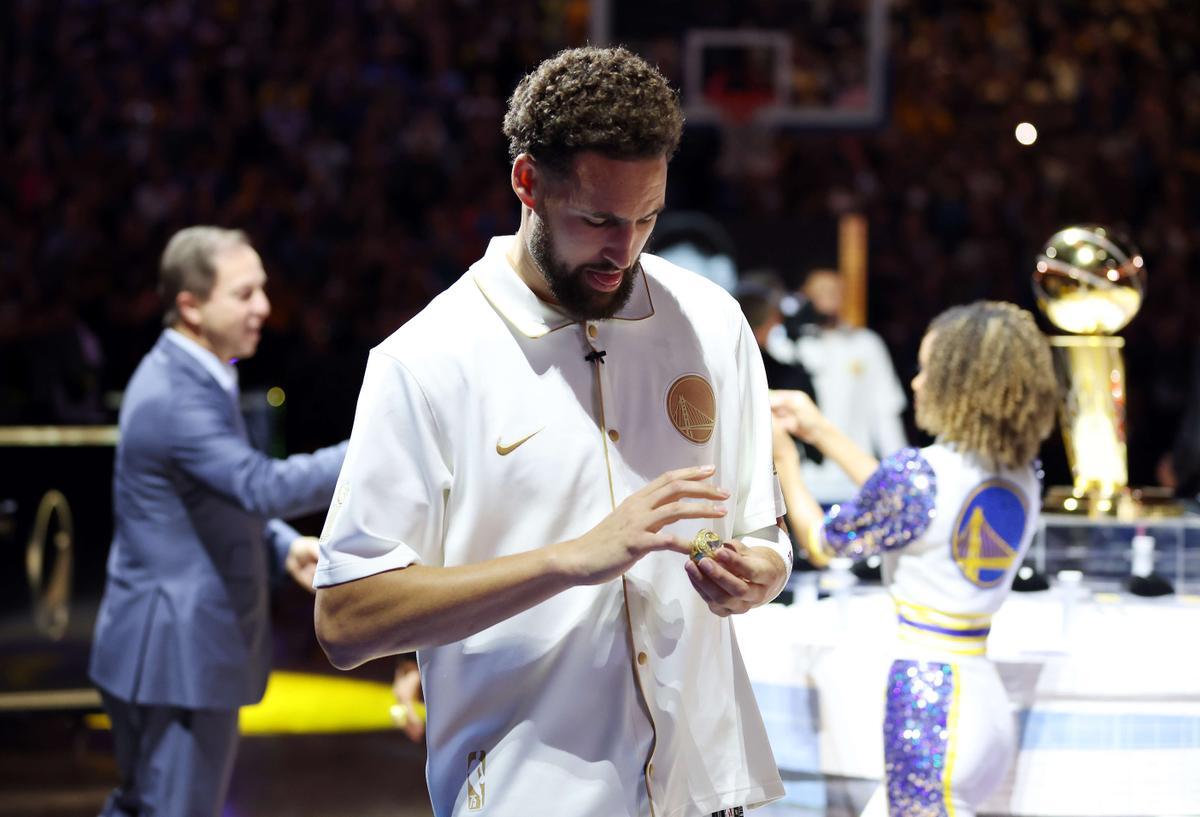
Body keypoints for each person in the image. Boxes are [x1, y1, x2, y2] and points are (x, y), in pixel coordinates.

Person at [313, 46, 791, 817]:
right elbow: (345, 619)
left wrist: (763, 569)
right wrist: (573, 559)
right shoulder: (427, 358)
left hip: (706, 790)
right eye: (597, 220)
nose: (624, 250)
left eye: (647, 218)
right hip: (528, 796)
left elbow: (760, 532)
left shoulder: (711, 322)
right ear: (527, 182)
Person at [88, 226, 347, 817]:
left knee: (144, 806)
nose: (264, 307)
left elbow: (209, 497)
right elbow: (258, 485)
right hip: (175, 652)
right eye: (244, 293)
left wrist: (278, 545)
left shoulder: (195, 371)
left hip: (166, 647)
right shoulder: (179, 393)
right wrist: (378, 445)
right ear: (191, 307)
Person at [770, 301, 1058, 817]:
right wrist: (822, 432)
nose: (917, 384)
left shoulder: (923, 476)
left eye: (929, 371)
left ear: (958, 383)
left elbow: (824, 541)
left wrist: (786, 462)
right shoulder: (1023, 474)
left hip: (933, 703)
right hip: (983, 704)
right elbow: (909, 502)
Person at [768, 267, 908, 504]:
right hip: (804, 483)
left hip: (856, 481)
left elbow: (886, 416)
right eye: (820, 289)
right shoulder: (786, 347)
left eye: (835, 289)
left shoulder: (866, 344)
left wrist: (900, 479)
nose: (829, 296)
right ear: (804, 294)